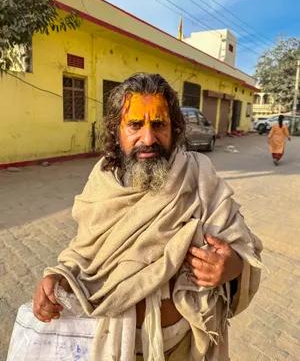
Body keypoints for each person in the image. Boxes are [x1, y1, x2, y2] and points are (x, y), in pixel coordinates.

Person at [33, 73, 263, 361]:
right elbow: (84, 251)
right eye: (134, 125)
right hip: (117, 344)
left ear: (174, 127)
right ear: (117, 131)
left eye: (158, 124)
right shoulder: (102, 182)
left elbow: (241, 245)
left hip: (184, 344)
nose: (149, 138)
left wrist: (231, 267)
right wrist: (59, 277)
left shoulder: (199, 175)